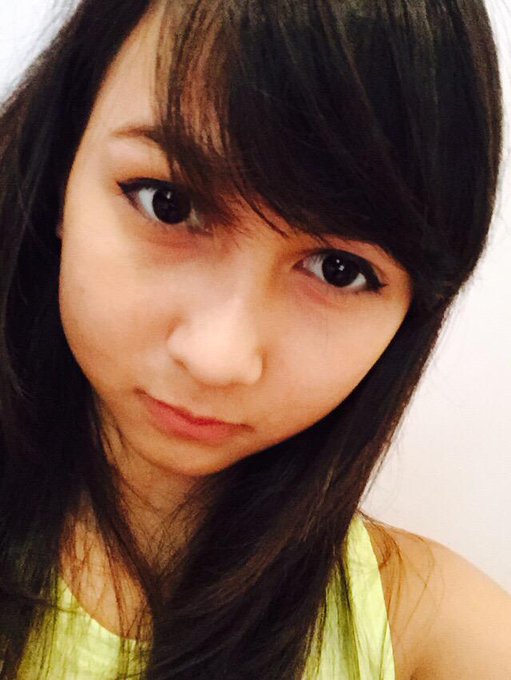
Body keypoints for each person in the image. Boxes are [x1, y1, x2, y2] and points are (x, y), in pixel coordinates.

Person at [0, 0, 509, 678]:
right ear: (61, 168)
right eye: (167, 202)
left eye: (339, 269)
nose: (217, 357)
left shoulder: (436, 637)